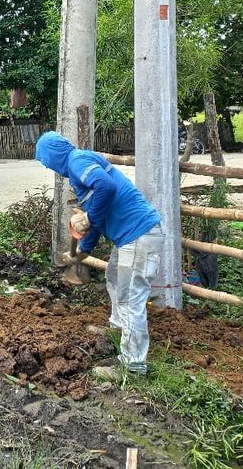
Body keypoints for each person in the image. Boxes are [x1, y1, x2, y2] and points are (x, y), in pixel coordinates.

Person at [34, 130, 164, 377]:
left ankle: (133, 366)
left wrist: (88, 217)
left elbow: (107, 188)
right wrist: (81, 251)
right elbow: (96, 217)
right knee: (113, 278)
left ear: (53, 155)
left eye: (45, 160)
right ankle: (118, 330)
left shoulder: (76, 160)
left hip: (138, 234)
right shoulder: (78, 170)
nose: (47, 166)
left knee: (130, 298)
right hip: (130, 237)